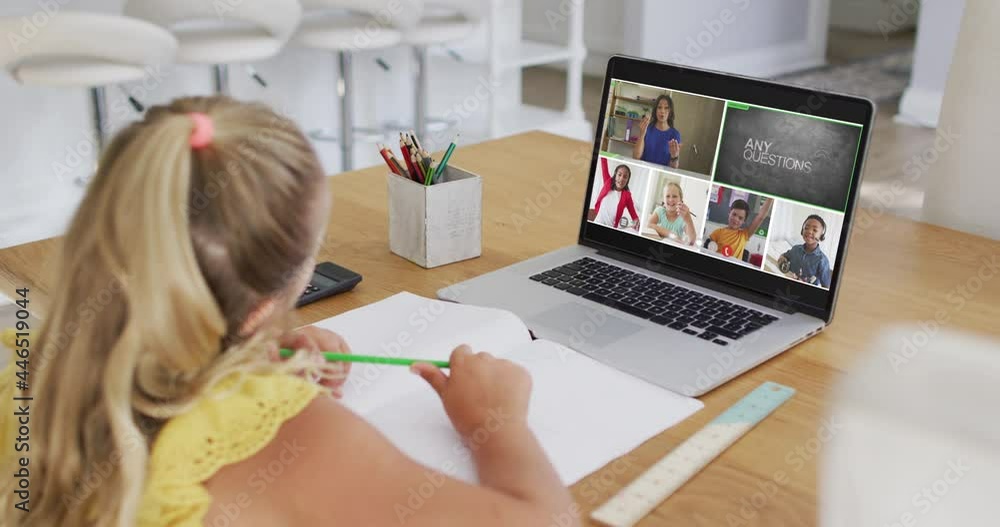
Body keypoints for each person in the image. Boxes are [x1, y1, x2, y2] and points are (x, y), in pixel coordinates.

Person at [0, 97, 578, 527]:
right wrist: (496, 423)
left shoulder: (30, 376)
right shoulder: (293, 437)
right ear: (263, 307)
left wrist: (241, 367)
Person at [708, 196, 774, 261]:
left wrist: (771, 197)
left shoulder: (744, 234)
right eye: (734, 214)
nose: (736, 219)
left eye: (740, 218)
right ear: (729, 213)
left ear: (743, 221)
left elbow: (760, 217)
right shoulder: (717, 232)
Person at [777, 214, 833, 287]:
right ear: (802, 231)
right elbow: (784, 256)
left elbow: (826, 286)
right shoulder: (795, 249)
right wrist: (781, 259)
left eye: (815, 230)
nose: (809, 231)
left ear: (821, 236)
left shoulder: (822, 260)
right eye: (806, 228)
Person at [633, 94, 682, 169]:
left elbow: (674, 168)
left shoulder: (675, 134)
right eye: (659, 107)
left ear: (670, 112)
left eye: (666, 108)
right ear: (655, 110)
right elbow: (635, 157)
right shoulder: (647, 129)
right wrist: (642, 134)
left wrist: (674, 157)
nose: (662, 111)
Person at [591, 157, 639, 231]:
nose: (621, 178)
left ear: (627, 180)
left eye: (625, 177)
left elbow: (634, 215)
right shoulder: (608, 182)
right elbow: (604, 163)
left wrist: (636, 222)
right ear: (615, 175)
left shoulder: (627, 196)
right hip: (597, 223)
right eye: (619, 175)